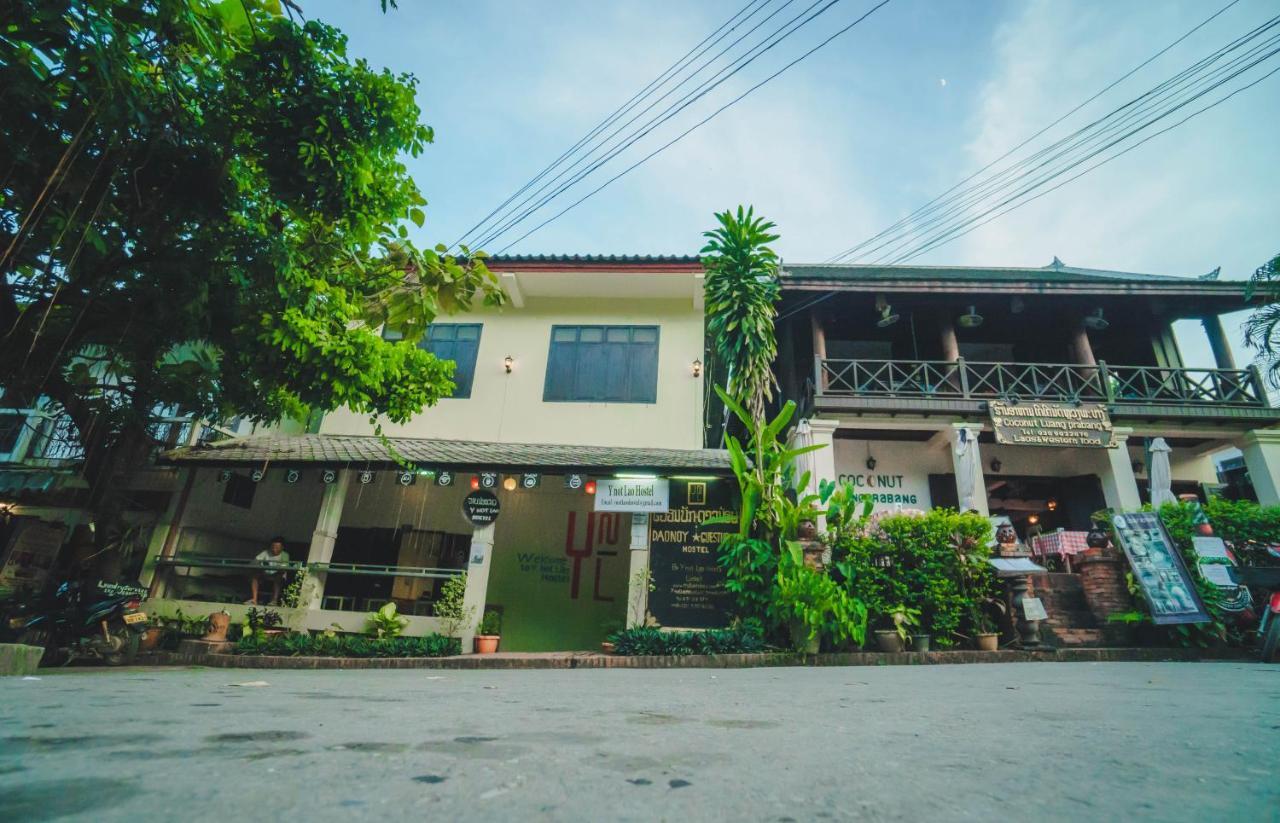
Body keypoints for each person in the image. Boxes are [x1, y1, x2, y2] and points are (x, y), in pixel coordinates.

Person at [247, 536, 290, 606]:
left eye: (277, 547)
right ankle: (254, 600)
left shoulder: (285, 555)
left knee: (279, 577)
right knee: (254, 576)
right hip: (265, 574)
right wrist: (259, 564)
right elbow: (255, 562)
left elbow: (284, 567)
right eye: (273, 546)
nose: (274, 549)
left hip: (277, 574)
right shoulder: (266, 552)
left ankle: (274, 600)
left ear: (282, 547)